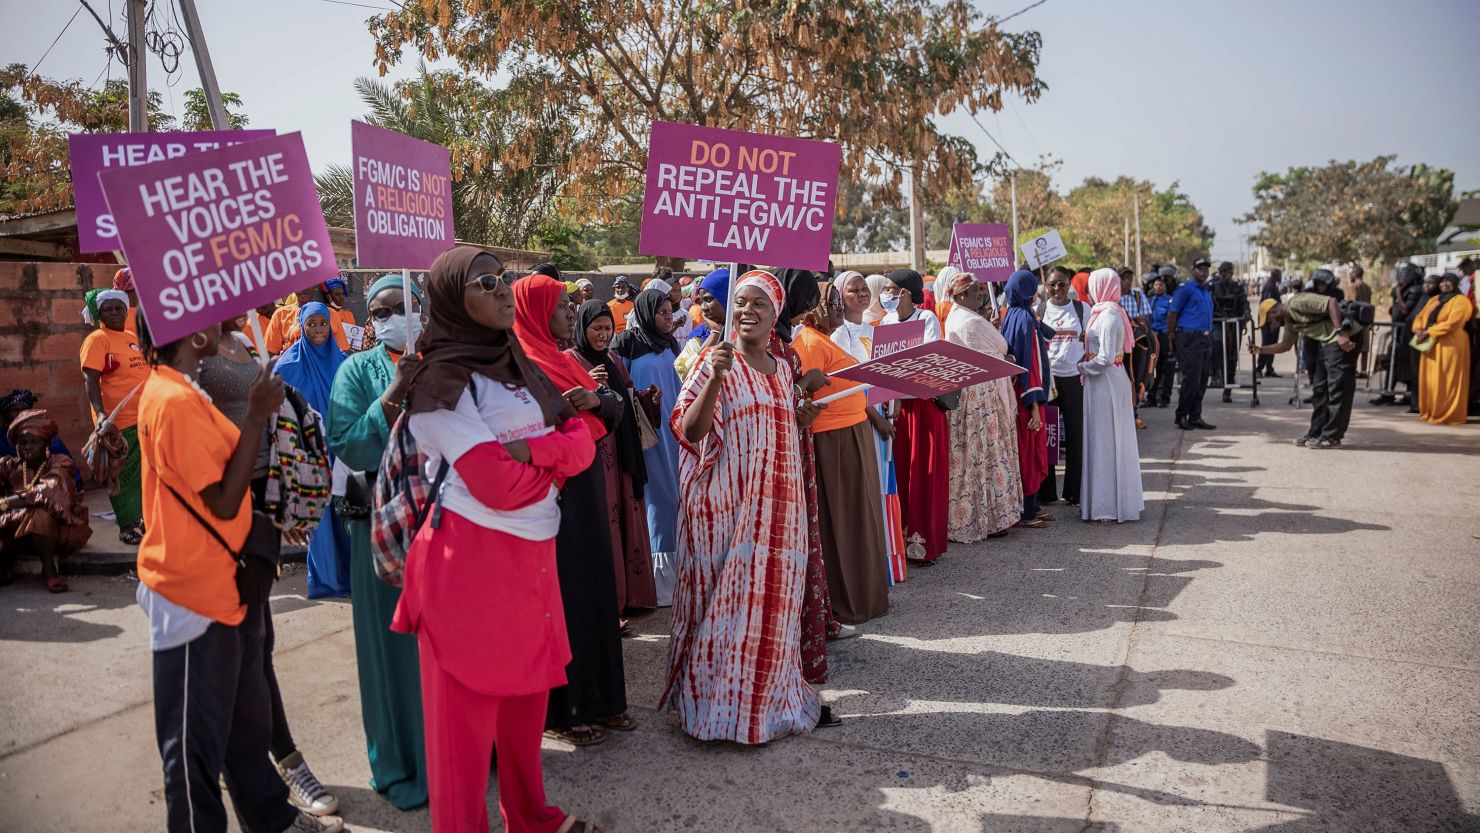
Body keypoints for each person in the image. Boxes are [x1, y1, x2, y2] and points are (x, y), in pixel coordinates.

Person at [393, 247, 604, 833]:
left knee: (524, 712)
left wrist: (534, 452)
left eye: (504, 277)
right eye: (485, 282)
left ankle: (532, 818)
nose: (502, 288)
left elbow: (585, 437)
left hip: (530, 566)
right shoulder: (438, 383)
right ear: (451, 300)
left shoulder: (519, 365)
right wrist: (556, 460)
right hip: (469, 574)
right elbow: (495, 486)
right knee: (463, 741)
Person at [133, 311, 340, 833]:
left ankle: (269, 817)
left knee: (238, 719)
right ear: (195, 335)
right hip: (189, 594)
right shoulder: (174, 400)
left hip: (221, 580)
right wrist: (254, 415)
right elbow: (224, 502)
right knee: (192, 753)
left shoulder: (184, 391)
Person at [662, 269, 832, 743]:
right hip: (727, 515)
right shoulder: (716, 361)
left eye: (758, 304)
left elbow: (776, 425)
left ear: (775, 312)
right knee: (727, 612)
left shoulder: (781, 371)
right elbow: (690, 432)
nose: (746, 311)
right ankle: (715, 713)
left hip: (779, 516)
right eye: (740, 303)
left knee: (773, 613)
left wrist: (799, 414)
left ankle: (769, 705)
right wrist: (715, 378)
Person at [324, 274, 429, 810]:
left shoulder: (446, 359)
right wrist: (394, 391)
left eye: (404, 305)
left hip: (446, 525)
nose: (394, 317)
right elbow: (348, 444)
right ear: (370, 320)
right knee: (391, 648)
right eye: (382, 310)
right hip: (382, 529)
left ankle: (460, 750)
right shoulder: (355, 371)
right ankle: (403, 763)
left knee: (446, 644)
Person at [513, 274, 632, 747]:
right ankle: (566, 709)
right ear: (536, 312)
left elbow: (614, 408)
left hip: (584, 486)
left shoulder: (564, 360)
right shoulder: (517, 364)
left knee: (594, 589)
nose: (568, 312)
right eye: (559, 306)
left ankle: (603, 699)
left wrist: (594, 398)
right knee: (561, 599)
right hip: (548, 492)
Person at [791, 280, 890, 626]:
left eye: (837, 303)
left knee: (859, 519)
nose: (837, 309)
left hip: (851, 432)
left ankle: (865, 596)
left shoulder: (824, 340)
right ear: (813, 307)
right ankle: (846, 603)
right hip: (831, 440)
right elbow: (801, 396)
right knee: (843, 522)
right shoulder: (807, 342)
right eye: (831, 303)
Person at [568, 300, 657, 614]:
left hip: (622, 447)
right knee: (606, 514)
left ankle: (633, 594)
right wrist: (588, 381)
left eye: (607, 328)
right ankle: (610, 597)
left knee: (626, 511)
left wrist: (647, 397)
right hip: (597, 451)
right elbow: (567, 401)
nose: (603, 335)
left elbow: (628, 395)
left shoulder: (615, 360)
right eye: (597, 329)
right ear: (583, 328)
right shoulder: (569, 359)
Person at [770, 268, 837, 674]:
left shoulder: (781, 338)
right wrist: (803, 384)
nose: (805, 312)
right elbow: (765, 396)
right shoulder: (765, 341)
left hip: (797, 442)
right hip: (776, 449)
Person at [831, 270, 906, 581]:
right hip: (863, 423)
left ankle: (886, 564)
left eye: (864, 288)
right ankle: (870, 569)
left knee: (883, 491)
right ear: (839, 296)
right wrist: (877, 418)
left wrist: (895, 400)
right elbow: (848, 386)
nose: (862, 293)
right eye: (854, 289)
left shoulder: (872, 330)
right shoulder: (839, 336)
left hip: (883, 421)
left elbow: (885, 375)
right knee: (868, 493)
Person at [273, 303, 351, 599]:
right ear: (301, 327)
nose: (318, 330)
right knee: (320, 520)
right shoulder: (287, 366)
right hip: (308, 455)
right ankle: (328, 580)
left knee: (345, 516)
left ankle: (351, 574)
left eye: (322, 323)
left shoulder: (342, 361)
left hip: (340, 451)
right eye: (311, 324)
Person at [612, 286, 683, 607]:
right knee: (657, 498)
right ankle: (658, 583)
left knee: (676, 495)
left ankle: (677, 577)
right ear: (645, 312)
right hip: (646, 434)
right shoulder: (627, 343)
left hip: (673, 432)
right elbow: (618, 386)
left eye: (671, 312)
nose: (669, 318)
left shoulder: (669, 342)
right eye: (662, 312)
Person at [942, 272, 1023, 540]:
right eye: (975, 290)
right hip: (981, 394)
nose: (981, 294)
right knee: (985, 455)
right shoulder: (968, 321)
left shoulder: (960, 317)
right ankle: (988, 516)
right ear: (962, 295)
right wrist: (1003, 353)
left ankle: (983, 514)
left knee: (974, 456)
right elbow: (1001, 345)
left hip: (972, 394)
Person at [880, 268, 950, 561]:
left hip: (923, 409)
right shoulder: (885, 321)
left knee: (925, 475)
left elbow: (928, 364)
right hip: (896, 409)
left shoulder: (926, 319)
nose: (884, 295)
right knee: (901, 476)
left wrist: (900, 370)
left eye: (889, 289)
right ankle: (898, 543)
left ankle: (923, 546)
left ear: (905, 293)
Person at [1249, 271, 1360, 448]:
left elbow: (1330, 302)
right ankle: (1316, 432)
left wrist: (1340, 333)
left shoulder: (1297, 302)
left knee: (1338, 389)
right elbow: (1285, 346)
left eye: (1270, 322)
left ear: (1274, 312)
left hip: (1343, 338)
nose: (1273, 326)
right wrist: (1261, 350)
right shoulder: (1291, 321)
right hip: (1327, 342)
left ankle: (1332, 436)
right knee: (1319, 388)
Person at [80, 287, 150, 544]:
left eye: (117, 308)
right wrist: (100, 414)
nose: (113, 313)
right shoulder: (97, 339)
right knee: (124, 475)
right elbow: (90, 378)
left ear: (125, 310)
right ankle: (127, 526)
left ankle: (143, 519)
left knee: (145, 473)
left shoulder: (131, 336)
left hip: (145, 417)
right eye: (107, 309)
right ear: (99, 313)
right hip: (119, 422)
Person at [1078, 269, 1145, 523]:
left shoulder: (1107, 316)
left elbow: (1105, 358)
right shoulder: (1107, 312)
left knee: (1105, 441)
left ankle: (1106, 507)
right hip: (1103, 381)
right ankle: (1104, 503)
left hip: (1104, 381)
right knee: (1102, 439)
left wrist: (1081, 368)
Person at [0, 409, 91, 591]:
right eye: (22, 442)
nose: (27, 447)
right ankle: (5, 565)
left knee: (40, 513)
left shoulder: (60, 462)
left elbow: (46, 492)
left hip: (57, 532)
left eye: (34, 442)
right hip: (21, 529)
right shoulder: (9, 465)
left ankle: (49, 570)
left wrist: (6, 503)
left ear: (47, 443)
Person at [1000, 270, 1054, 528]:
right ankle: (1027, 511)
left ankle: (1030, 507)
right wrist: (1034, 405)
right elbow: (1030, 365)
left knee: (1024, 452)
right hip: (1027, 399)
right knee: (1030, 454)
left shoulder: (1012, 314)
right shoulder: (1023, 319)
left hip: (1016, 393)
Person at [1037, 266, 1086, 507]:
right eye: (1052, 284)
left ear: (1069, 284)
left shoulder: (1081, 309)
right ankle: (1047, 492)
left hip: (1074, 378)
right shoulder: (1039, 310)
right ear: (1045, 285)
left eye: (1062, 283)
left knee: (1076, 435)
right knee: (1048, 436)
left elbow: (1091, 339)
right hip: (1049, 380)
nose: (1057, 289)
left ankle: (1074, 491)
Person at [1411, 272, 1473, 425]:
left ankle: (1450, 414)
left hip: (1451, 345)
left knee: (1448, 380)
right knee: (1432, 380)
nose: (1444, 284)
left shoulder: (1461, 300)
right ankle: (1433, 410)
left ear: (1455, 283)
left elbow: (1454, 322)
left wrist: (1429, 332)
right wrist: (1418, 329)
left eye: (1448, 281)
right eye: (1442, 281)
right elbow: (1419, 316)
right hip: (1431, 345)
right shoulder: (1435, 299)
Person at [1167, 258, 1217, 430]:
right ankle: (1181, 415)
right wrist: (1171, 338)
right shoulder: (1185, 290)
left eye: (1205, 269)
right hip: (1189, 338)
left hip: (1204, 338)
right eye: (1200, 269)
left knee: (1203, 379)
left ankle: (1195, 416)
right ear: (1193, 270)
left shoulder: (1205, 290)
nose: (1203, 272)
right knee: (1192, 380)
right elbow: (1172, 315)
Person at [0, 390, 83, 488]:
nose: (19, 414)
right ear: (6, 414)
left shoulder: (48, 436)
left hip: (47, 485)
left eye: (23, 409)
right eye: (15, 410)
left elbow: (70, 472)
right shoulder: (2, 438)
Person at [1373, 264, 1428, 407]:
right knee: (1392, 363)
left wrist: (1398, 293)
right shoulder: (1404, 289)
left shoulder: (1415, 290)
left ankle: (1407, 395)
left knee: (1406, 364)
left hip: (1407, 333)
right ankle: (1387, 394)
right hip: (1399, 333)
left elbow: (1405, 310)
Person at [675, 268, 730, 379]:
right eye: (701, 301)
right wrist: (714, 336)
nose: (703, 308)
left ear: (727, 298)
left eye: (708, 300)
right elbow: (686, 374)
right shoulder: (699, 336)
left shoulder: (748, 333)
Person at [1119, 267, 1155, 428]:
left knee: (1137, 377)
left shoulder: (1138, 295)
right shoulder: (1113, 296)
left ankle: (1134, 413)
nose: (1126, 281)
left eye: (1129, 277)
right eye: (1123, 277)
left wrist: (1133, 323)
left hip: (1137, 344)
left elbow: (1146, 316)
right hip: (1119, 346)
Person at [1208, 261, 1250, 398]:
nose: (1225, 275)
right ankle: (1216, 373)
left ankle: (1228, 388)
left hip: (1234, 324)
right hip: (1218, 323)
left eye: (1228, 272)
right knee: (1217, 344)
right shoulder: (1213, 287)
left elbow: (1244, 302)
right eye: (1223, 272)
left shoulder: (1237, 287)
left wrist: (1246, 313)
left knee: (1232, 356)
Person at [1147, 277, 1176, 406]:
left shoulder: (1170, 300)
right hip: (1153, 337)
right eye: (1156, 284)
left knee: (1168, 369)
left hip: (1166, 337)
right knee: (1153, 368)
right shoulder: (1150, 301)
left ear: (1165, 287)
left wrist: (1171, 338)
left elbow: (1173, 318)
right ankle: (1151, 398)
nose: (1158, 287)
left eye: (1161, 285)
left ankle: (1165, 398)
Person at [1257, 270, 1284, 377]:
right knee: (1267, 345)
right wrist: (1273, 321)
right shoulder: (1270, 287)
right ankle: (1259, 368)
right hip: (1269, 322)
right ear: (1275, 275)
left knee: (1273, 345)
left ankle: (1269, 368)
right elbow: (1268, 306)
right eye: (1279, 275)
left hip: (1274, 320)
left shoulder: (1273, 286)